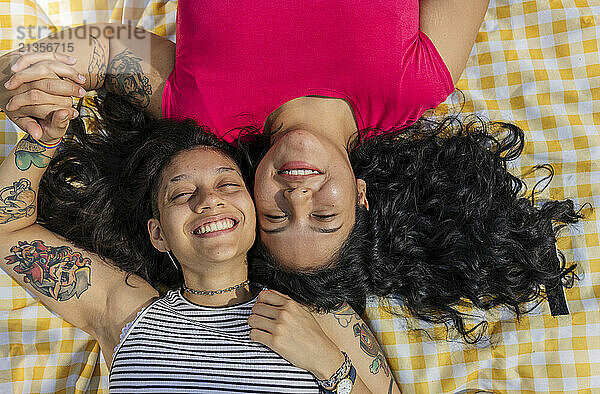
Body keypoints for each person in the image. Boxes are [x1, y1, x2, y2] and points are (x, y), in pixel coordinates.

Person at [1, 0, 580, 341]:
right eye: (324, 214)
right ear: (363, 195)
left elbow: (103, 50)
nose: (299, 192)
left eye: (278, 215)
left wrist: (29, 77)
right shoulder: (416, 87)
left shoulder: (204, 113)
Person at [0, 93, 400, 392]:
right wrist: (43, 141)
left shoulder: (314, 311)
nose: (209, 200)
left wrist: (329, 363)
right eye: (180, 194)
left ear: (256, 211)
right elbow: (9, 232)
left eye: (227, 184)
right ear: (158, 234)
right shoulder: (125, 311)